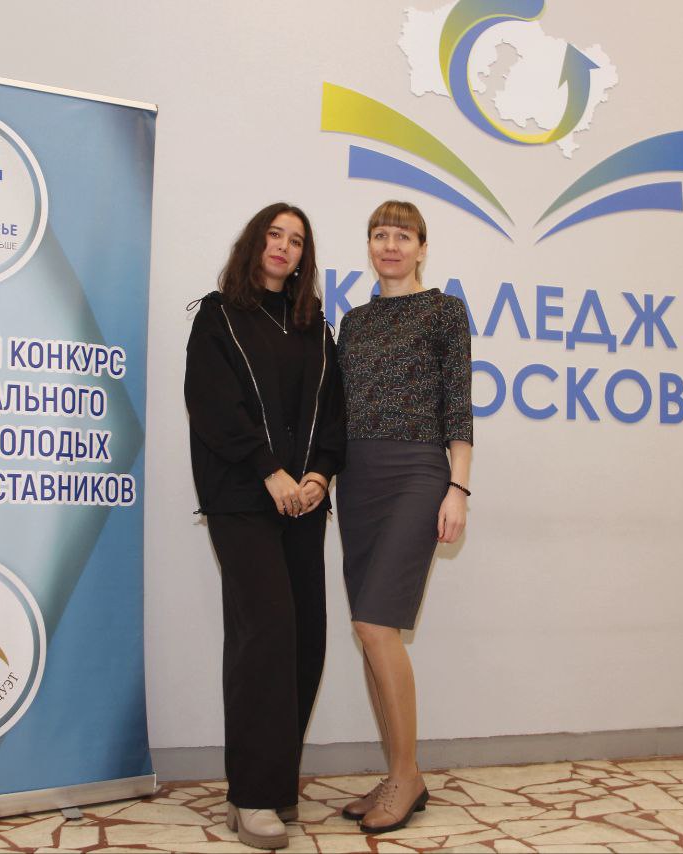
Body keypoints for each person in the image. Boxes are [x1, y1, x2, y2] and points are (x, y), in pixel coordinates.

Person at [185, 202, 345, 850]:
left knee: (306, 640)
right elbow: (213, 407)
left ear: (304, 257)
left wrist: (320, 476)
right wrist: (268, 471)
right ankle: (252, 795)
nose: (284, 246)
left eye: (296, 240)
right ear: (255, 242)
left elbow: (333, 414)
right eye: (275, 234)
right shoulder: (219, 316)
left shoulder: (315, 329)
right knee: (267, 633)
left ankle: (272, 786)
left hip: (303, 503)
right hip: (242, 499)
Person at [334, 200, 472, 834]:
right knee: (370, 631)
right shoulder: (354, 322)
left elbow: (458, 408)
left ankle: (408, 775)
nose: (390, 245)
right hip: (357, 478)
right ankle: (397, 773)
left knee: (374, 621)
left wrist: (457, 488)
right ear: (369, 245)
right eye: (379, 234)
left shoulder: (444, 311)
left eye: (403, 236)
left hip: (417, 472)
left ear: (421, 247)